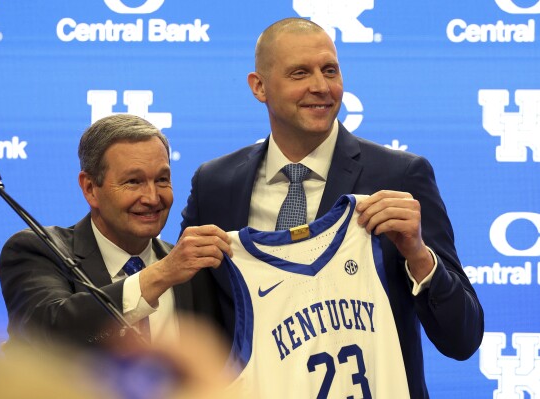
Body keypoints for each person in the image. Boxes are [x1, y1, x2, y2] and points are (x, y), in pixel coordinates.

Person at [180, 18, 484, 398]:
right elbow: (190, 330)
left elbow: (463, 339)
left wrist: (419, 256)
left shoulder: (400, 176)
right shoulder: (214, 183)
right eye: (299, 73)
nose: (321, 87)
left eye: (330, 70)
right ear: (259, 87)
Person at [0, 114, 231, 351]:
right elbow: (49, 334)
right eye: (133, 181)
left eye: (162, 179)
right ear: (90, 188)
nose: (152, 198)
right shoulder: (38, 251)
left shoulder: (196, 272)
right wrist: (162, 274)